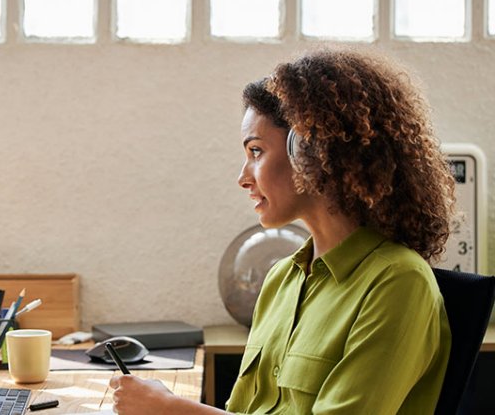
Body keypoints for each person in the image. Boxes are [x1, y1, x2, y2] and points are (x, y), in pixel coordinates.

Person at [109, 48, 455, 414]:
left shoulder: (398, 283)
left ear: (312, 150)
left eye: (256, 151)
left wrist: (170, 409)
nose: (243, 177)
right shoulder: (280, 280)